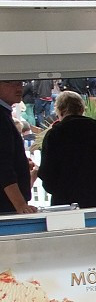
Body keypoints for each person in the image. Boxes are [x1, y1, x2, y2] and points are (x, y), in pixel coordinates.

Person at [37, 90, 96, 208]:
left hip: (64, 200)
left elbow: (47, 171)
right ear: (81, 109)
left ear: (60, 110)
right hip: (95, 197)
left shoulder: (54, 134)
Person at [1, 78, 35, 215]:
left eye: (20, 83)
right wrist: (20, 204)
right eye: (11, 82)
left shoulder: (5, 115)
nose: (19, 87)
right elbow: (3, 165)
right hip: (5, 206)